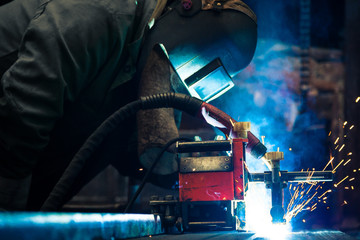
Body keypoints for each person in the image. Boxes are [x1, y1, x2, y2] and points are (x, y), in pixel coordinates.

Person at [0, 0, 257, 211]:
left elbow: (139, 154)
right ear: (187, 6)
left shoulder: (150, 75)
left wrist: (204, 174)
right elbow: (21, 115)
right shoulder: (103, 11)